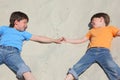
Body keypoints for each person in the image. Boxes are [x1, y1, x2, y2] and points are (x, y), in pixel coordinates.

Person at [0, 11, 63, 80]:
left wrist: (54, 40)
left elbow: (39, 38)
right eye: (24, 22)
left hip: (13, 54)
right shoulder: (4, 28)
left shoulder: (24, 33)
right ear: (16, 22)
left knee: (25, 70)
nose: (26, 25)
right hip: (1, 49)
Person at [64, 13, 120, 80]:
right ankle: (70, 76)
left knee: (111, 66)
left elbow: (118, 33)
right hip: (91, 52)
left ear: (101, 19)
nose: (91, 23)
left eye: (93, 20)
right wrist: (68, 40)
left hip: (104, 52)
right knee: (81, 64)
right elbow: (82, 40)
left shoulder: (110, 28)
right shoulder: (91, 31)